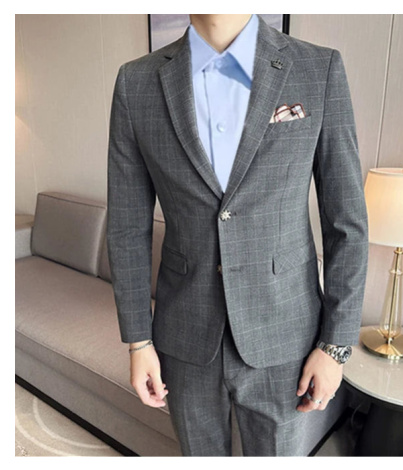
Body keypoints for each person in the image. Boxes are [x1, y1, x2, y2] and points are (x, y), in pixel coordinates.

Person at [106, 13, 369, 456]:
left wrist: (335, 346)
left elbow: (347, 223)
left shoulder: (318, 68)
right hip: (185, 335)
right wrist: (138, 340)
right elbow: (127, 227)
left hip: (287, 338)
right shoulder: (137, 83)